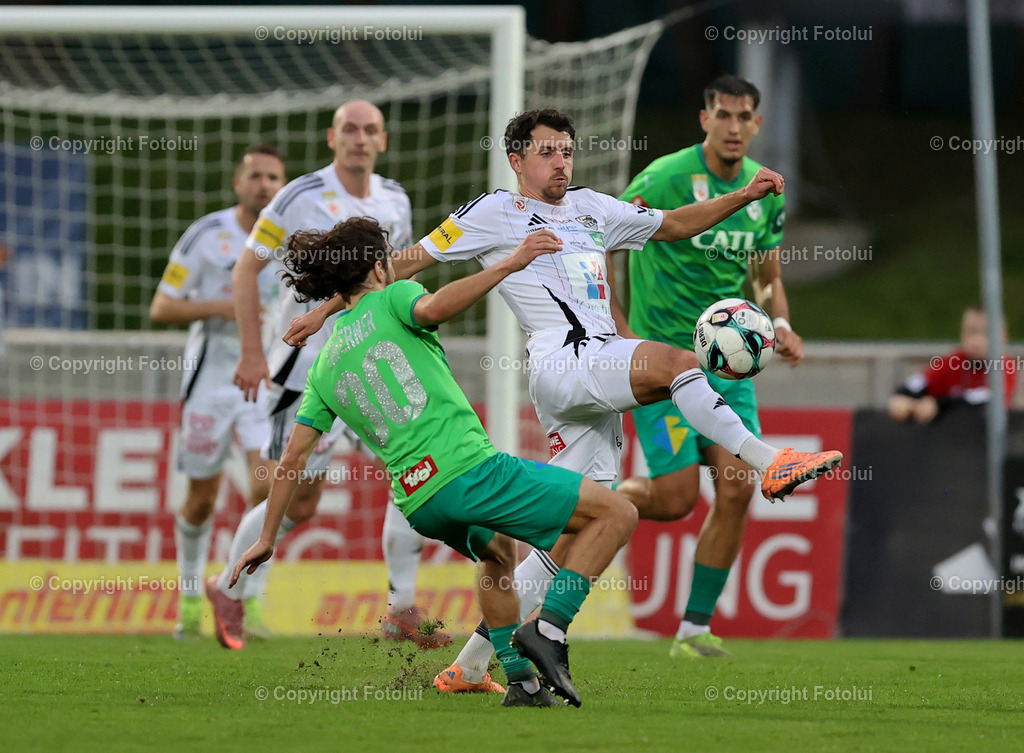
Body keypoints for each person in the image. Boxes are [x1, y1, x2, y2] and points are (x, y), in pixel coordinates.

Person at [287, 108, 843, 691]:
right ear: (516, 159)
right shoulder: (491, 212)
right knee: (680, 362)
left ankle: (469, 665)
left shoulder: (593, 207)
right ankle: (768, 461)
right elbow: (405, 262)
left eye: (567, 151)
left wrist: (745, 196)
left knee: (578, 529)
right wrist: (325, 308)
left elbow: (677, 224)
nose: (561, 162)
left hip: (589, 379)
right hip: (563, 361)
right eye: (547, 152)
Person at [229, 216, 637, 707]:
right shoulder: (395, 297)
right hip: (468, 471)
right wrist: (510, 262)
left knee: (498, 554)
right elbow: (435, 306)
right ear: (380, 267)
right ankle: (548, 630)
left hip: (419, 503)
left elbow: (294, 457)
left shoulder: (325, 362)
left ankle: (521, 682)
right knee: (616, 512)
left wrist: (267, 537)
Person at [206, 101, 445, 651]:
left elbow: (385, 275)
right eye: (349, 130)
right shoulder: (297, 196)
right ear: (332, 138)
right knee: (297, 496)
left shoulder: (395, 198)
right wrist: (250, 352)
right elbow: (248, 268)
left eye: (369, 130)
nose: (359, 139)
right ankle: (229, 586)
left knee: (415, 464)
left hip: (372, 359)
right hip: (308, 365)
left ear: (383, 140)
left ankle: (401, 607)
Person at [609, 75, 803, 659]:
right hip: (662, 361)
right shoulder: (663, 179)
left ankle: (693, 629)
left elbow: (766, 275)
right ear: (705, 119)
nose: (735, 127)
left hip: (729, 365)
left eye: (746, 117)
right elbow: (605, 243)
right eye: (725, 115)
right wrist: (617, 327)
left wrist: (783, 324)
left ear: (758, 124)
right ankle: (587, 501)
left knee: (740, 487)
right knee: (674, 500)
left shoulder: (766, 188)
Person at [150, 145, 285, 641]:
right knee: (201, 500)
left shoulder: (291, 239)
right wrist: (222, 307)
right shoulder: (206, 236)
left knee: (269, 489)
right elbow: (161, 308)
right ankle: (188, 599)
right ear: (237, 182)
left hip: (263, 386)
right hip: (210, 385)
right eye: (255, 175)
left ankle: (246, 600)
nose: (264, 185)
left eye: (273, 177)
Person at [888, 306, 1016, 423]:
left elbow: (987, 396)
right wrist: (903, 398)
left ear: (1003, 338)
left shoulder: (1004, 364)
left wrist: (939, 404)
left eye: (986, 334)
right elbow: (919, 382)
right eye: (971, 332)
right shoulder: (954, 361)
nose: (977, 341)